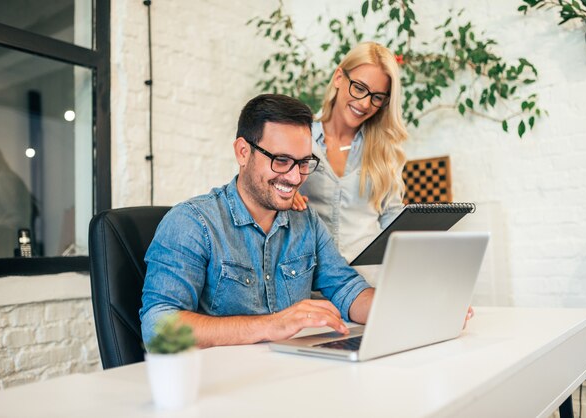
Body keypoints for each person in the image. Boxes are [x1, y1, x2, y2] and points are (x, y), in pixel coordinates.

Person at [140, 94, 374, 348]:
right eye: (281, 161)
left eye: (304, 162)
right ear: (243, 152)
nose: (295, 178)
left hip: (288, 374)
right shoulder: (192, 223)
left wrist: (404, 307)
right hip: (223, 381)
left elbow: (346, 289)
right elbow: (159, 328)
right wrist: (273, 325)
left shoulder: (306, 222)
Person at [294, 42, 408, 263]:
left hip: (367, 283)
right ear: (339, 78)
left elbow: (390, 218)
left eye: (377, 97)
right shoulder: (300, 139)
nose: (365, 104)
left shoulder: (385, 149)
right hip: (311, 281)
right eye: (359, 87)